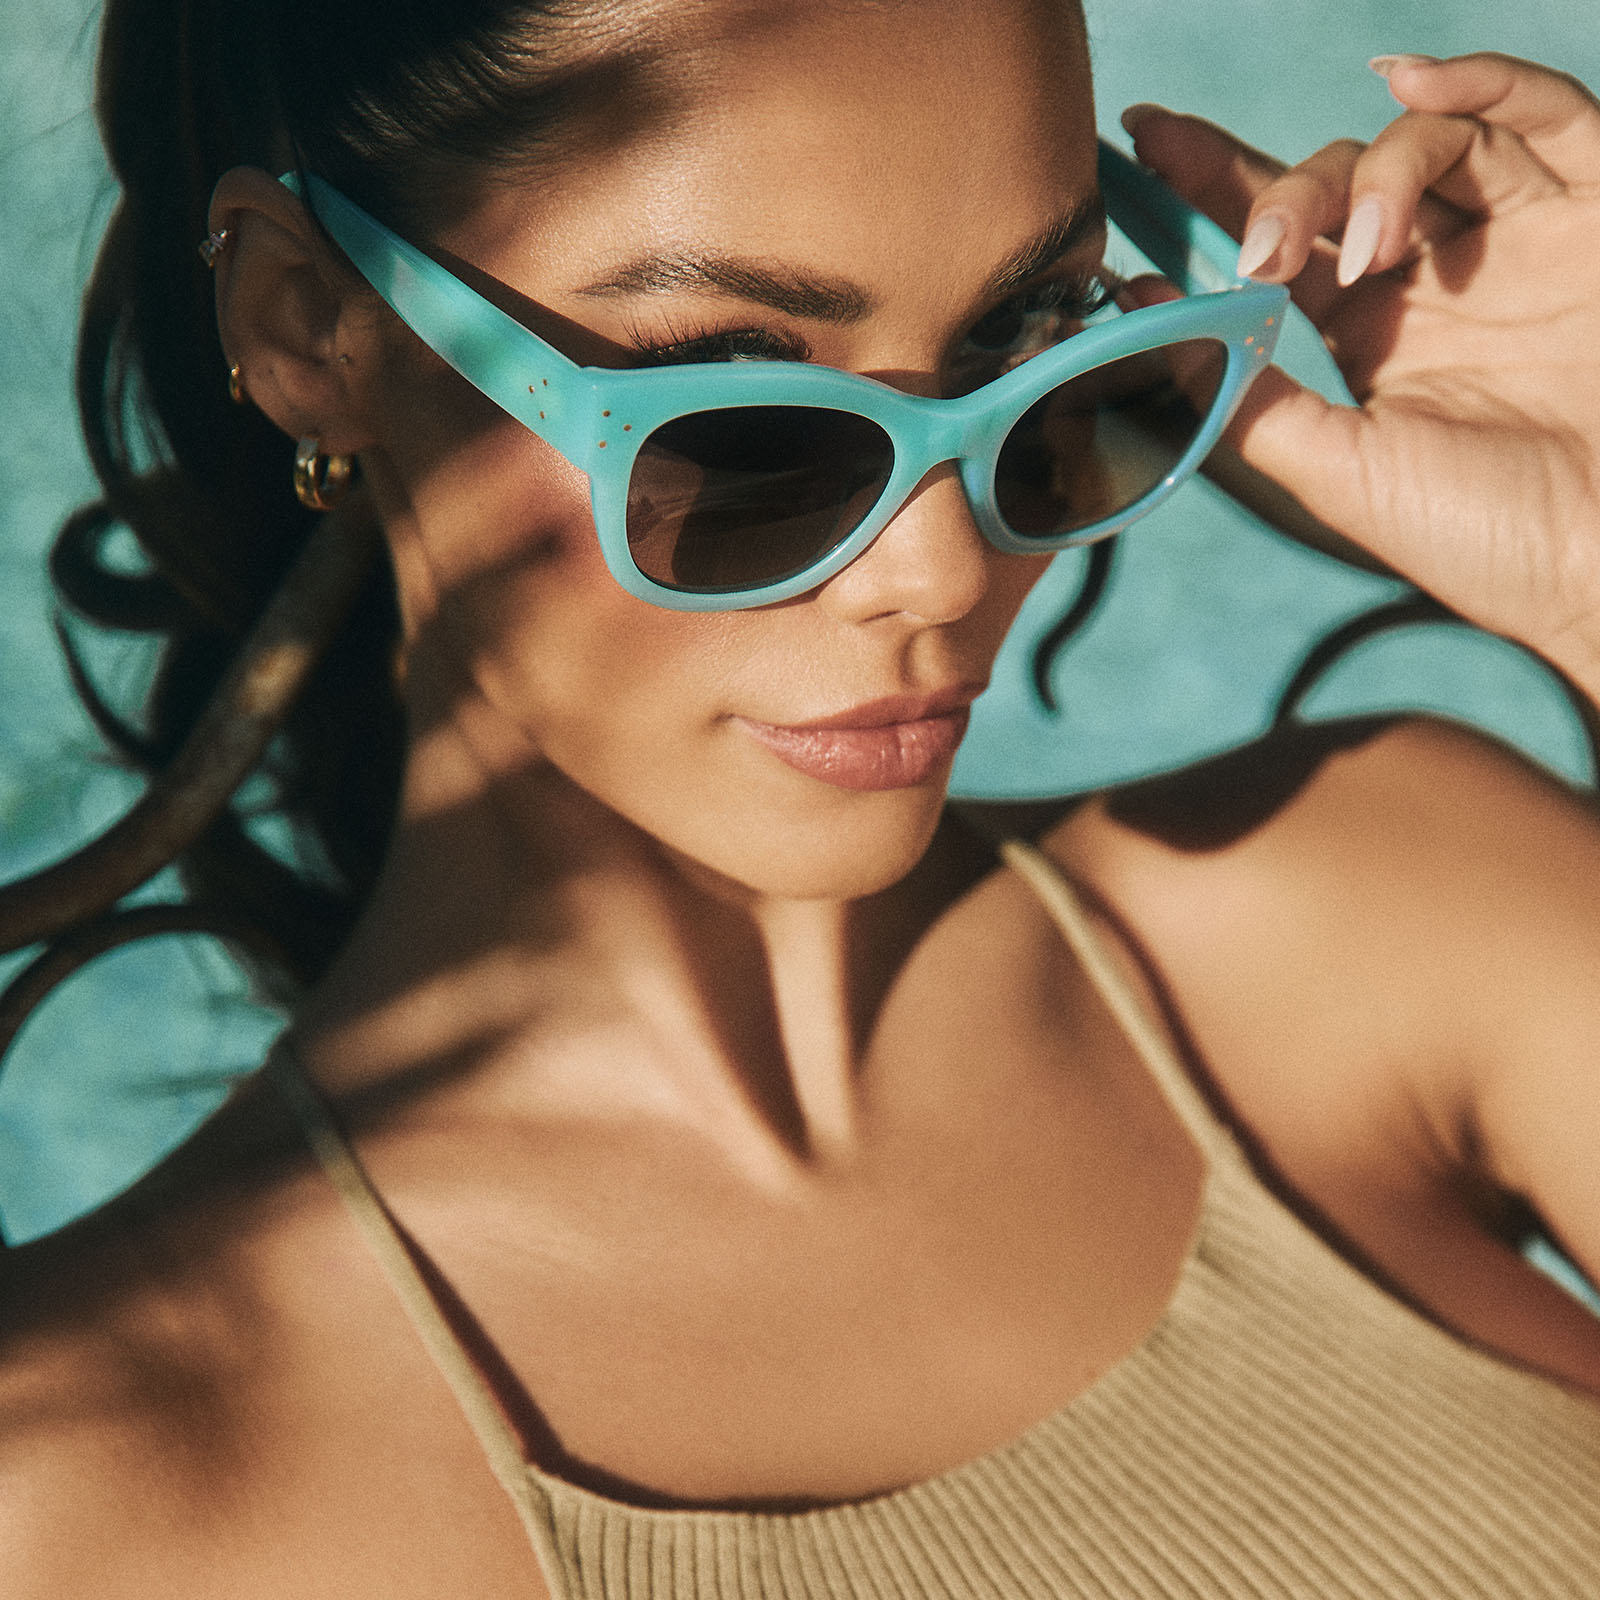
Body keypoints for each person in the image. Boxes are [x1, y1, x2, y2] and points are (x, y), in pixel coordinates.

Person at [3, 2, 1600, 1594]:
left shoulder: (1379, 916)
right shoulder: (100, 1473)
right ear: (308, 329)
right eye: (740, 426)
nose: (944, 565)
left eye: (1033, 351)